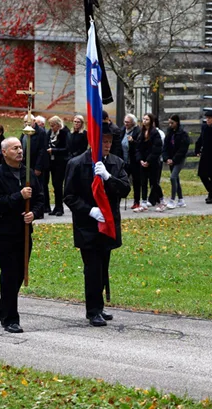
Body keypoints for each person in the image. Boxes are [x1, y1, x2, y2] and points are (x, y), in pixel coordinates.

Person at [63, 122, 131, 326]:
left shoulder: (116, 163)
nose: (108, 145)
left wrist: (109, 177)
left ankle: (99, 307)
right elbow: (69, 196)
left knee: (103, 267)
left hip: (108, 225)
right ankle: (92, 310)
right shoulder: (76, 163)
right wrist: (89, 210)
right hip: (87, 226)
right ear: (94, 142)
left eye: (110, 141)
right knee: (92, 269)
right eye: (104, 141)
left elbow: (125, 189)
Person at [0, 137, 44, 334]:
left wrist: (33, 213)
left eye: (20, 148)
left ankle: (2, 307)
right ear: (4, 152)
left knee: (20, 273)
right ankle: (10, 318)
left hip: (24, 232)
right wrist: (19, 196)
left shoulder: (28, 173)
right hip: (3, 233)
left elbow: (40, 199)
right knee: (10, 273)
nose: (19, 151)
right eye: (15, 148)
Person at [20, 114, 49, 219]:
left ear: (34, 121)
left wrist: (38, 167)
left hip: (36, 164)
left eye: (28, 121)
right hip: (26, 164)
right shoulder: (25, 131)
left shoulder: (40, 132)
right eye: (24, 122)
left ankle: (39, 211)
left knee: (39, 188)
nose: (26, 124)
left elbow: (42, 151)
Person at [133, 113, 162, 212]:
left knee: (154, 183)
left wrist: (149, 160)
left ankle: (161, 201)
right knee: (143, 182)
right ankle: (144, 203)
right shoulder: (141, 133)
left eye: (147, 119)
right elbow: (138, 148)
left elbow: (156, 149)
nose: (144, 121)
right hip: (143, 162)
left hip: (153, 162)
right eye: (143, 119)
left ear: (151, 121)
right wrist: (140, 159)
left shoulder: (155, 133)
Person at [161, 114, 190, 210]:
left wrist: (174, 159)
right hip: (171, 159)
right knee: (176, 179)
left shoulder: (183, 134)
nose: (170, 125)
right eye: (169, 123)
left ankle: (172, 200)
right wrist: (167, 158)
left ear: (177, 123)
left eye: (172, 123)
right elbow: (165, 147)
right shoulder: (169, 133)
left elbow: (183, 149)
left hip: (179, 160)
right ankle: (181, 200)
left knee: (173, 177)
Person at [195, 110, 212, 204]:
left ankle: (211, 196)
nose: (208, 120)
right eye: (207, 118)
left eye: (210, 118)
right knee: (202, 175)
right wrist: (197, 149)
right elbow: (200, 138)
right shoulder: (204, 127)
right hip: (206, 154)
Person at [46, 116, 70, 216]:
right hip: (53, 162)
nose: (51, 128)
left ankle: (60, 207)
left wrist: (54, 151)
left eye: (53, 126)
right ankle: (56, 206)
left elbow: (67, 149)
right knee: (55, 185)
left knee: (59, 185)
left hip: (61, 162)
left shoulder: (64, 133)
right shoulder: (50, 133)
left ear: (58, 125)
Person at [121, 114, 141, 209]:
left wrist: (133, 142)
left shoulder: (138, 131)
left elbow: (140, 146)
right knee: (123, 181)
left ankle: (136, 201)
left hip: (134, 161)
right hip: (124, 161)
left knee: (136, 182)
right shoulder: (122, 130)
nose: (126, 124)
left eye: (128, 122)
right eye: (125, 122)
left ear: (133, 123)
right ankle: (119, 199)